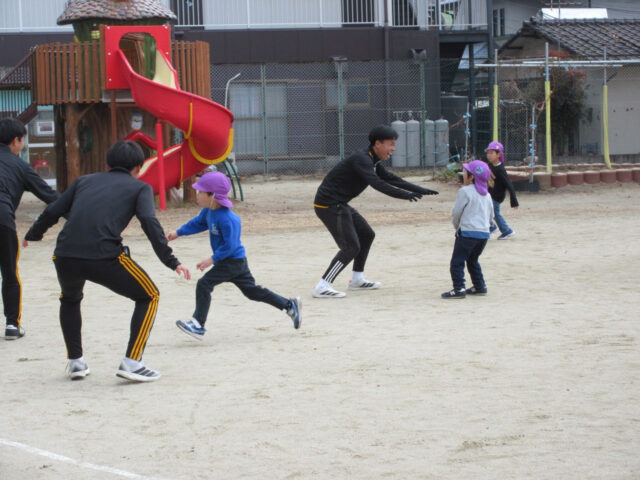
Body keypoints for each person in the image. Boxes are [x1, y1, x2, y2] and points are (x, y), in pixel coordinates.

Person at [24, 141, 191, 382]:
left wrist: (34, 233)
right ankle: (132, 362)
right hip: (104, 256)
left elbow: (54, 209)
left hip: (65, 254)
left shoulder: (84, 181)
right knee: (149, 295)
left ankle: (76, 362)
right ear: (139, 167)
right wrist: (172, 261)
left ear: (107, 164)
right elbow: (149, 223)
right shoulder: (140, 188)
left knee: (70, 299)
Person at [167, 171, 301, 340]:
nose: (197, 194)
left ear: (213, 195)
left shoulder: (229, 219)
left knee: (204, 284)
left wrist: (211, 260)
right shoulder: (208, 211)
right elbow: (198, 223)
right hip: (230, 262)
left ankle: (198, 325)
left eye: (201, 192)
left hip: (233, 262)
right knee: (252, 292)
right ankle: (289, 305)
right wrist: (178, 233)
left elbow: (230, 246)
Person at [312, 124, 439, 298]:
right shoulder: (362, 159)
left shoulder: (372, 160)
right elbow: (378, 184)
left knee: (366, 235)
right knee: (351, 247)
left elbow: (389, 178)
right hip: (329, 205)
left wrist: (420, 189)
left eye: (394, 144)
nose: (393, 149)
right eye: (391, 144)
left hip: (339, 203)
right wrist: (406, 195)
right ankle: (322, 286)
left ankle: (357, 279)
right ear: (377, 144)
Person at [0, 117, 59, 340]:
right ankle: (12, 325)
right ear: (16, 140)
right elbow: (51, 198)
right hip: (3, 220)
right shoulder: (21, 167)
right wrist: (79, 215)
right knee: (9, 273)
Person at [442, 160, 494, 299]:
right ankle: (480, 286)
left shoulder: (464, 191)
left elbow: (457, 212)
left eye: (465, 172)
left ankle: (459, 288)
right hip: (483, 234)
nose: (463, 174)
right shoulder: (487, 195)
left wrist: (457, 226)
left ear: (471, 177)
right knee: (473, 260)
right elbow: (491, 215)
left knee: (457, 262)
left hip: (467, 233)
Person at [485, 141, 518, 239]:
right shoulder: (490, 165)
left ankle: (506, 230)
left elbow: (509, 185)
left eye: (491, 153)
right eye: (488, 153)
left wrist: (514, 201)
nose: (489, 155)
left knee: (495, 213)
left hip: (497, 196)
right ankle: (492, 226)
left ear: (499, 155)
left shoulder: (500, 169)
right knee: (487, 210)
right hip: (490, 194)